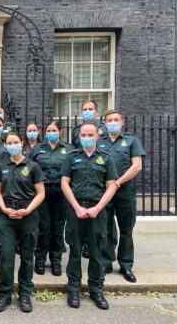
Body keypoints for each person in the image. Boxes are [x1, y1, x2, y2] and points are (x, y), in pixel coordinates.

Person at [61, 122, 118, 310]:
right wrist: (76, 207)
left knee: (96, 253)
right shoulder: (71, 157)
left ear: (97, 136)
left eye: (90, 134)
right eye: (83, 134)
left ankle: (96, 290)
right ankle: (74, 289)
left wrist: (98, 208)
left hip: (97, 212)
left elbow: (111, 185)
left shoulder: (106, 159)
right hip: (76, 210)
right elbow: (65, 183)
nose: (86, 137)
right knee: (75, 251)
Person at [0, 132, 45, 313]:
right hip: (6, 215)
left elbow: (41, 193)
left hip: (28, 215)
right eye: (9, 142)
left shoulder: (33, 166)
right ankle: (4, 294)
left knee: (27, 256)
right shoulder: (1, 166)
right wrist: (4, 208)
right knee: (6, 256)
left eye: (16, 142)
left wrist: (28, 210)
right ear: (5, 145)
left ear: (21, 143)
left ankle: (24, 293)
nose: (13, 145)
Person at [99, 110, 145, 283]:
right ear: (104, 123)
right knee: (106, 227)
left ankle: (126, 264)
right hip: (104, 191)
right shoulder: (100, 141)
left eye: (116, 120)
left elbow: (137, 166)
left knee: (126, 228)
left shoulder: (132, 140)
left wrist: (117, 183)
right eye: (109, 120)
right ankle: (106, 261)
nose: (113, 122)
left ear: (122, 122)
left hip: (124, 190)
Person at [30, 121, 74, 276]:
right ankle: (40, 260)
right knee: (43, 228)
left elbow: (72, 172)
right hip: (43, 193)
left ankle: (56, 261)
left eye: (54, 130)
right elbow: (30, 170)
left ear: (60, 132)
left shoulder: (68, 149)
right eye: (48, 130)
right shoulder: (37, 149)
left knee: (57, 229)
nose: (51, 132)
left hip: (61, 193)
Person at [71, 100, 108, 259]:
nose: (87, 111)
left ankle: (106, 256)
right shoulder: (75, 131)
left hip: (99, 177)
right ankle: (83, 245)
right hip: (80, 174)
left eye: (90, 109)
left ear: (96, 112)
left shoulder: (104, 130)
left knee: (103, 227)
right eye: (84, 109)